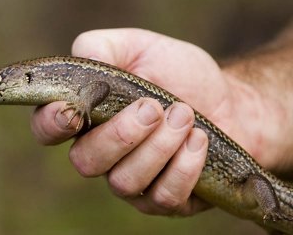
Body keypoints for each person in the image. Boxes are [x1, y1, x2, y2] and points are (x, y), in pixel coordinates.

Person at [30, 26, 293, 216]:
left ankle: (274, 213)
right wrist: (245, 100)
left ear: (30, 77)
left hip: (251, 185)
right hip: (246, 186)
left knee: (263, 192)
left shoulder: (84, 81)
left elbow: (257, 184)